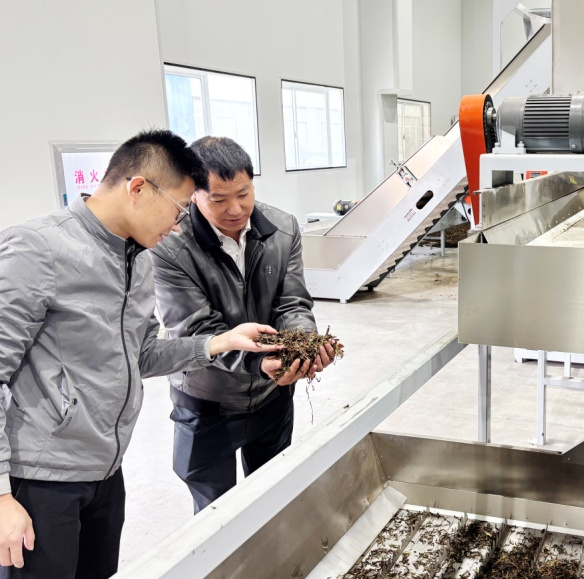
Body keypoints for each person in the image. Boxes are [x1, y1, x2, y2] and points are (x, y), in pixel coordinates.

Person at [0, 129, 282, 578]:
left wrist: (222, 341)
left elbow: (143, 354)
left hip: (105, 470)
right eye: (179, 209)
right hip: (40, 478)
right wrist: (1, 497)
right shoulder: (37, 249)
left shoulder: (138, 258)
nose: (179, 224)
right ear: (137, 188)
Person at [149, 136, 339, 513]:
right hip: (207, 402)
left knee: (270, 499)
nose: (235, 209)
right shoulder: (169, 245)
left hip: (272, 396)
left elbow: (292, 301)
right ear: (193, 194)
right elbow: (195, 328)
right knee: (216, 513)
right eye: (219, 199)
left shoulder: (282, 229)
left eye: (244, 193)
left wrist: (302, 346)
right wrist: (256, 362)